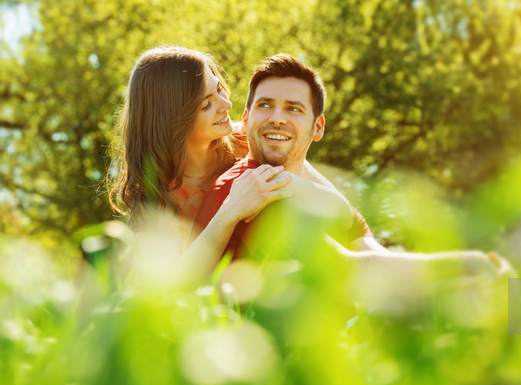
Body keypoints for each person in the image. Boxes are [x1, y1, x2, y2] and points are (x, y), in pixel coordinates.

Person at [194, 53, 513, 277]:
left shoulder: (306, 188)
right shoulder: (248, 190)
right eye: (266, 105)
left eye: (293, 109)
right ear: (246, 118)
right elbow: (350, 272)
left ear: (317, 128)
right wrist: (462, 265)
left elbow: (377, 253)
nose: (277, 117)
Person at [107, 46, 352, 286]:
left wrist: (279, 181)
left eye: (219, 90)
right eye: (206, 105)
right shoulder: (159, 203)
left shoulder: (247, 139)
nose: (226, 105)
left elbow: (339, 209)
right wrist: (231, 211)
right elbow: (170, 288)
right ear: (174, 120)